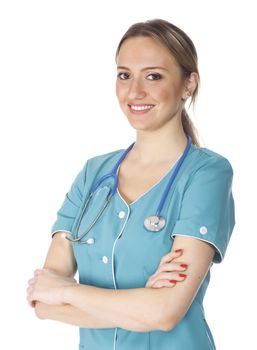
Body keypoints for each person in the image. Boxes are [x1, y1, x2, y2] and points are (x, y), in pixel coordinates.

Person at [26, 18, 235, 349]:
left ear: (188, 84)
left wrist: (67, 291)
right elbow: (43, 302)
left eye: (153, 76)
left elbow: (165, 313)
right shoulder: (94, 174)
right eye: (125, 75)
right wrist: (143, 304)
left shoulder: (207, 174)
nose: (135, 91)